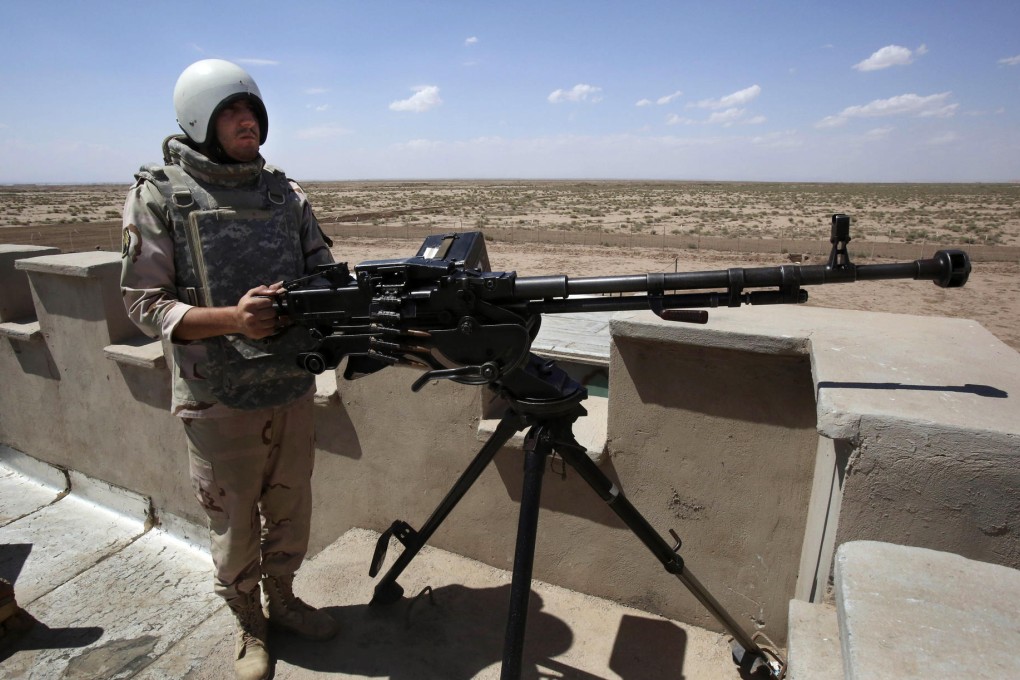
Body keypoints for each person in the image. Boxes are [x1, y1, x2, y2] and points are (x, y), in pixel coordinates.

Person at [120, 59, 338, 680]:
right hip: (217, 397)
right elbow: (142, 303)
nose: (249, 123)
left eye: (254, 114)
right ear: (199, 120)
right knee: (235, 522)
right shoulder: (159, 195)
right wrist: (234, 320)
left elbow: (322, 270)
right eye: (232, 113)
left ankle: (285, 599)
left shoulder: (284, 195)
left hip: (289, 386)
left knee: (291, 509)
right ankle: (248, 621)